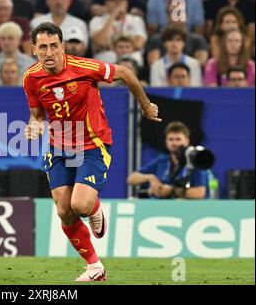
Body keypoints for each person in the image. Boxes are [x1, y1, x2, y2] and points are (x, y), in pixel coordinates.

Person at [23, 22, 160, 281]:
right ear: (34, 50)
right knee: (64, 210)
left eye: (54, 46)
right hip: (58, 146)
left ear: (62, 47)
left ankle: (94, 209)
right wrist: (34, 126)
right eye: (43, 47)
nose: (49, 52)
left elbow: (126, 73)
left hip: (92, 144)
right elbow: (37, 115)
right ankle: (94, 267)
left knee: (81, 205)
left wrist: (145, 105)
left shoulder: (84, 68)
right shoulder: (31, 77)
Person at [127, 121, 208, 199]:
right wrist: (150, 177)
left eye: (178, 139)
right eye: (171, 139)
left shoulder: (195, 161)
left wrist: (171, 191)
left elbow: (199, 193)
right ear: (166, 141)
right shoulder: (162, 161)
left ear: (187, 141)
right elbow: (131, 179)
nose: (174, 143)